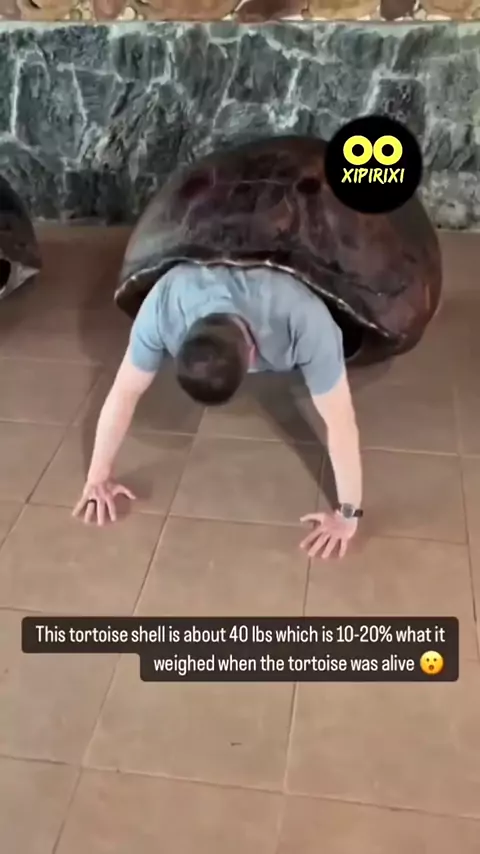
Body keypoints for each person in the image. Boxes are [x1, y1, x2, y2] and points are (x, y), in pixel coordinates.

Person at [73, 264, 363, 559]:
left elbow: (341, 422)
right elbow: (125, 391)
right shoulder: (165, 302)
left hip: (287, 291)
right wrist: (98, 477)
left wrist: (349, 516)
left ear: (253, 356)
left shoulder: (303, 317)